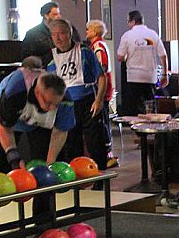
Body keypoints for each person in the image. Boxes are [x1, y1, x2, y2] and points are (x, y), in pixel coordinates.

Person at [0, 65, 74, 229]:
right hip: (8, 124)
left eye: (55, 104)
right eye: (48, 103)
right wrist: (14, 158)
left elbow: (60, 132)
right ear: (37, 92)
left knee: (45, 174)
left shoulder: (65, 100)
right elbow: (4, 129)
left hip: (39, 126)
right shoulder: (15, 91)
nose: (52, 108)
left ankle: (43, 220)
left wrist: (49, 163)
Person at [47, 19, 108, 173]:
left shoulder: (84, 52)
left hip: (87, 102)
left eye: (61, 33)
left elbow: (101, 77)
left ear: (70, 34)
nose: (58, 38)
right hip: (66, 106)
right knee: (71, 145)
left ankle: (99, 176)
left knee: (94, 142)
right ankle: (75, 176)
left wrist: (99, 100)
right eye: (54, 35)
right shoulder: (50, 61)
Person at [117, 10, 168, 116]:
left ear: (133, 21)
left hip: (133, 77)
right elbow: (163, 55)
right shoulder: (153, 34)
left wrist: (127, 56)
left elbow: (120, 57)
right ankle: (150, 129)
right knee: (149, 106)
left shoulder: (127, 35)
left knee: (135, 109)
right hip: (150, 76)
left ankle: (138, 131)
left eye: (128, 22)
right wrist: (164, 74)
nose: (128, 25)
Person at [86, 19, 116, 169]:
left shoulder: (97, 47)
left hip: (101, 91)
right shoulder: (100, 45)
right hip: (104, 90)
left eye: (88, 29)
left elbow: (101, 68)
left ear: (94, 31)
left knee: (101, 123)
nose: (86, 32)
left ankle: (106, 155)